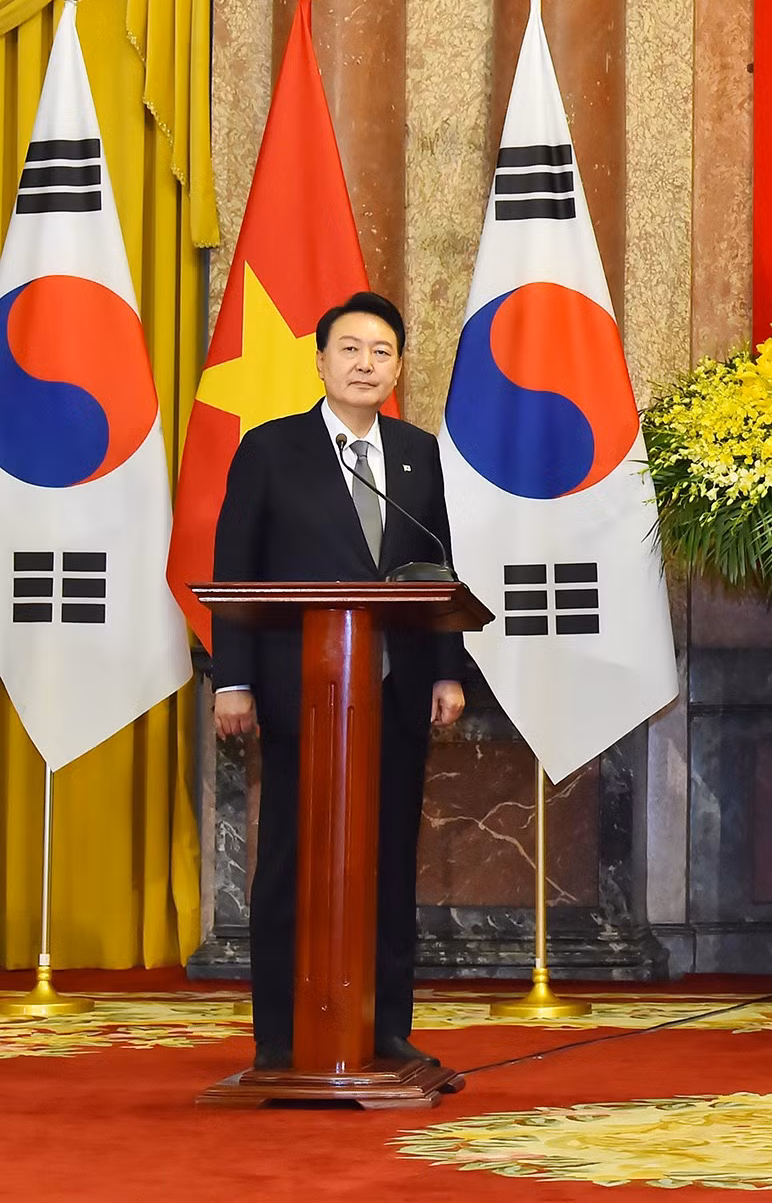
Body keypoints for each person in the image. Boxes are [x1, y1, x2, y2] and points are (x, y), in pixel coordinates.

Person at [211, 291, 466, 1072]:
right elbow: (236, 571)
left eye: (382, 351)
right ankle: (280, 1038)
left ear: (398, 367)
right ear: (320, 362)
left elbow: (437, 569)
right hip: (299, 693)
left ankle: (384, 1026)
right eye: (350, 349)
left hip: (393, 691)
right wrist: (234, 682)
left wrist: (447, 669)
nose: (365, 363)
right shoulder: (270, 449)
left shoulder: (419, 452)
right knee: (291, 858)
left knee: (389, 862)